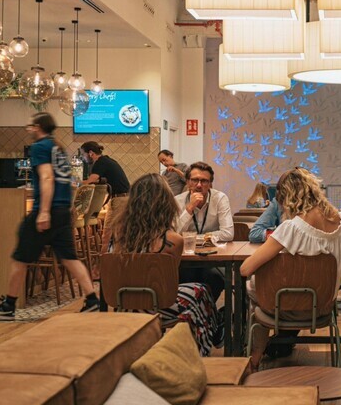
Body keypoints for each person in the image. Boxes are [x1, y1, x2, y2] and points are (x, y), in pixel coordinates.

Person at [0, 112, 98, 319]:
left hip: (48, 211)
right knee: (70, 258)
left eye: (30, 126)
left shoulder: (40, 147)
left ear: (38, 127)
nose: (28, 129)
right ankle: (92, 300)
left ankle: (9, 305)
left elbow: (46, 178)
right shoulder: (57, 148)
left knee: (20, 257)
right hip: (63, 211)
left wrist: (43, 212)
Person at [240, 168, 341, 369]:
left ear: (288, 197)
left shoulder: (293, 227)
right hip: (324, 306)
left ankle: (254, 356)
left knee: (253, 287)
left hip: (285, 308)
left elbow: (245, 269)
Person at [111, 173, 220, 355]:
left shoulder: (118, 235)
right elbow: (170, 280)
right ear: (166, 204)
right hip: (159, 304)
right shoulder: (173, 240)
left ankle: (212, 333)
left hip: (122, 301)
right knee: (202, 290)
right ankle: (206, 343)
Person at [175, 161, 233, 300]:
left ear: (210, 184)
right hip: (185, 260)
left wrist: (193, 238)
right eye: (195, 180)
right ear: (188, 182)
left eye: (204, 181)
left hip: (214, 258)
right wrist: (189, 209)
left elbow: (228, 233)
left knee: (216, 278)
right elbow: (174, 234)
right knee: (182, 277)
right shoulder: (178, 200)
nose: (199, 185)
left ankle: (207, 313)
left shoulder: (220, 198)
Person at [80, 141, 131, 258]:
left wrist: (75, 183)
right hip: (122, 199)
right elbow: (103, 180)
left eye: (83, 155)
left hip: (120, 200)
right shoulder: (108, 161)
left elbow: (91, 181)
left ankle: (108, 265)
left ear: (91, 153)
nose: (83, 158)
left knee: (113, 233)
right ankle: (105, 263)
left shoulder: (100, 162)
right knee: (111, 233)